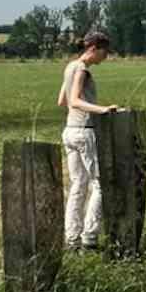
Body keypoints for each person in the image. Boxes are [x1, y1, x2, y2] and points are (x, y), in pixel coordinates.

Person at [58, 31, 118, 251]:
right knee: (100, 184)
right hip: (85, 131)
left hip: (69, 131)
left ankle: (71, 238)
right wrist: (103, 109)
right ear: (93, 48)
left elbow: (62, 101)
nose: (106, 56)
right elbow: (74, 100)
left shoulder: (70, 67)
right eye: (104, 52)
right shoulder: (82, 69)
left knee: (78, 184)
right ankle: (89, 238)